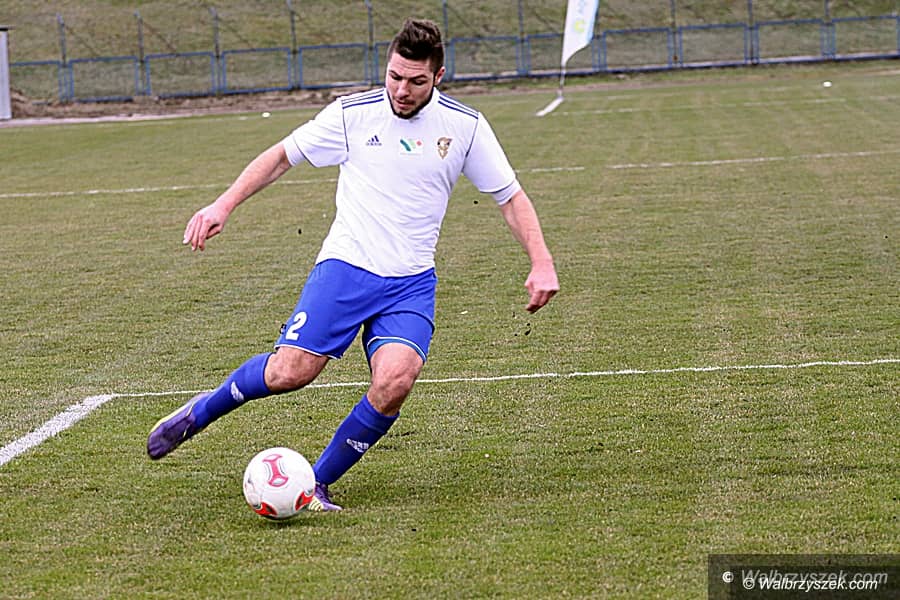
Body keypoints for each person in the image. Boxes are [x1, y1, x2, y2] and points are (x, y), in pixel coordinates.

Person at [147, 18, 559, 511]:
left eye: (416, 81)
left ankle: (315, 485)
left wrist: (541, 261)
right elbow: (281, 156)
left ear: (438, 76)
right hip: (346, 268)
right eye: (394, 76)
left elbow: (510, 197)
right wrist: (223, 205)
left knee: (396, 381)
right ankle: (200, 412)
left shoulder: (465, 127)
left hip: (410, 283)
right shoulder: (352, 115)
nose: (401, 90)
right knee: (290, 373)